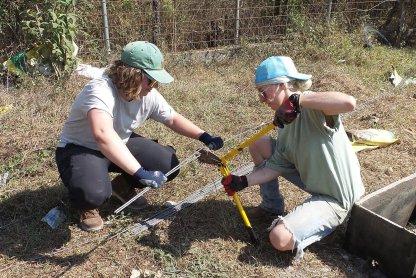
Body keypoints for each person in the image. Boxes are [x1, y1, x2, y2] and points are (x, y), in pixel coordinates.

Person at [55, 41, 223, 232]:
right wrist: (139, 172)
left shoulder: (146, 93)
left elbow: (173, 119)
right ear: (132, 75)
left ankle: (121, 186)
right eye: (151, 79)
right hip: (82, 148)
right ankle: (87, 206)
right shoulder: (100, 90)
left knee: (168, 164)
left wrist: (204, 136)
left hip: (119, 142)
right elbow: (102, 135)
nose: (154, 85)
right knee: (93, 194)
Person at [221, 56, 364, 259]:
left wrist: (298, 100)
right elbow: (277, 166)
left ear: (281, 85)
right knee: (259, 144)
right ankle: (271, 206)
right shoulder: (284, 123)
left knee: (279, 238)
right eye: (259, 94)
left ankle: (337, 221)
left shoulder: (312, 106)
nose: (262, 100)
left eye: (264, 93)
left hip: (337, 196)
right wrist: (242, 181)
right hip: (315, 182)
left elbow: (349, 103)